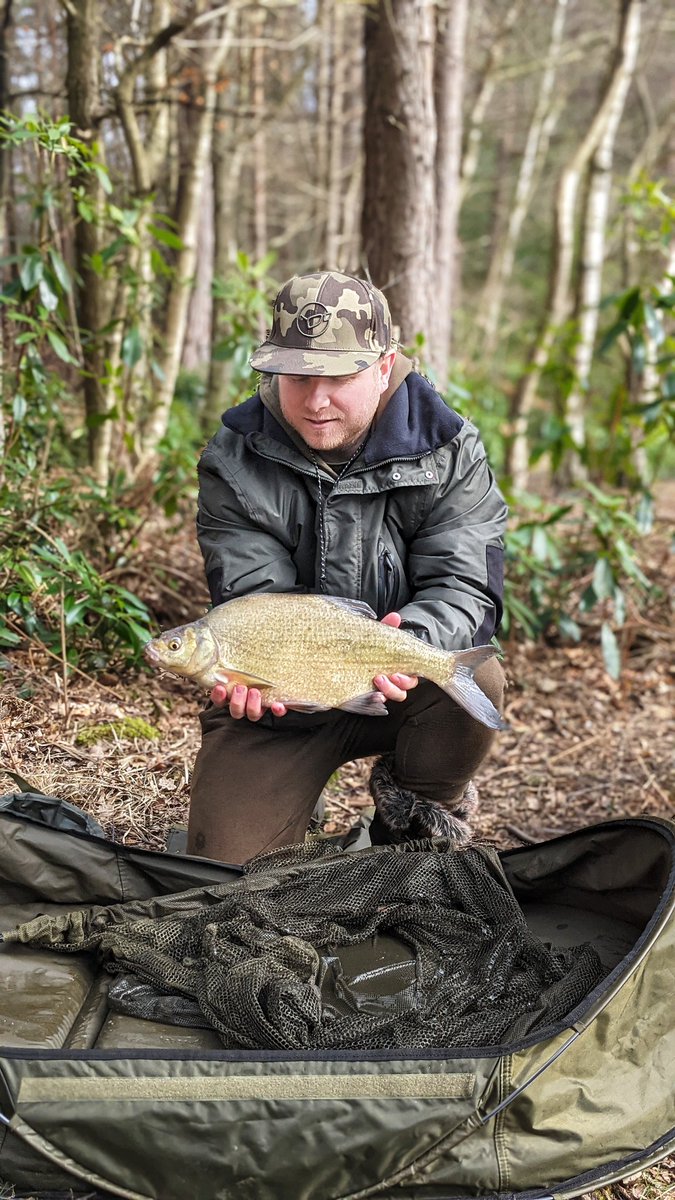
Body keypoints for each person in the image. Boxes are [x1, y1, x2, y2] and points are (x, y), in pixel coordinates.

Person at [189, 270, 507, 863]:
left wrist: (409, 642)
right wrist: (254, 680)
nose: (316, 401)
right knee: (223, 877)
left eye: (340, 377)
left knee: (475, 678)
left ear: (384, 366)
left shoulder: (449, 447)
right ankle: (287, 804)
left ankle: (413, 809)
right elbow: (254, 599)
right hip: (281, 703)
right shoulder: (233, 456)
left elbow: (465, 587)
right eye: (300, 377)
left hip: (396, 684)